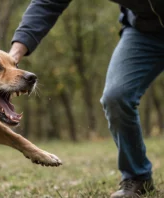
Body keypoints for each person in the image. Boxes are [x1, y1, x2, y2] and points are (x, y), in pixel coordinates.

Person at [9, 0, 164, 197]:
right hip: (144, 32)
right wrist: (14, 54)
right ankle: (138, 176)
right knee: (117, 96)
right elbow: (48, 2)